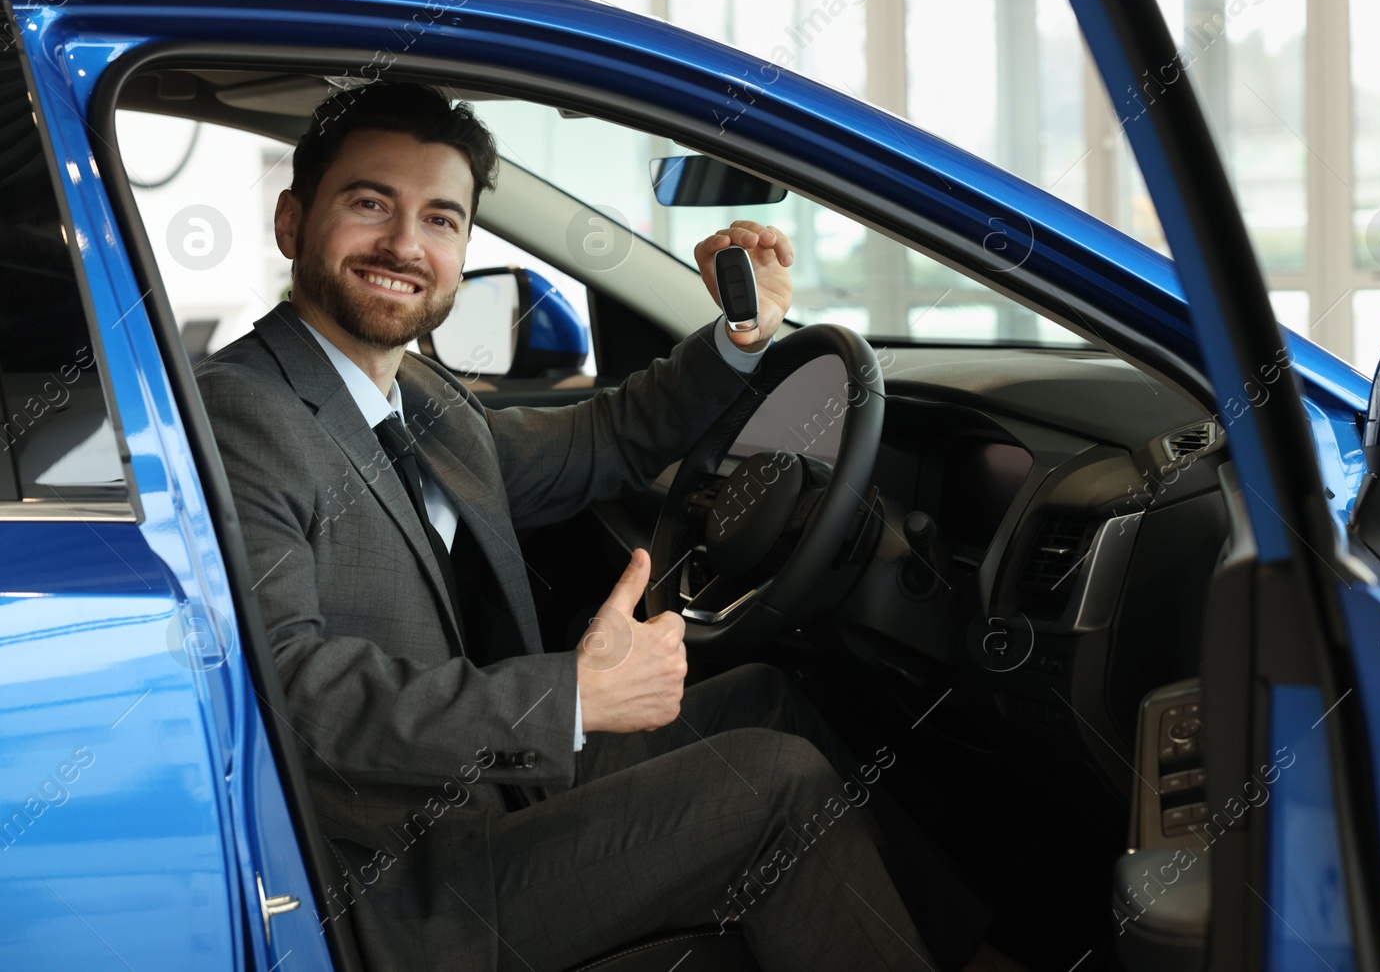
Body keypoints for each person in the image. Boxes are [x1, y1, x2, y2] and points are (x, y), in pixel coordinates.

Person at [197, 82, 1015, 971]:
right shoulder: (245, 412)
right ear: (292, 222)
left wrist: (739, 336)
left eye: (441, 219)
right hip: (394, 889)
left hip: (476, 790)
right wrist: (573, 698)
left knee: (769, 698)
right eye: (369, 204)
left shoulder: (415, 395)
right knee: (779, 790)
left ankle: (966, 956)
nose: (405, 244)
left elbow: (601, 440)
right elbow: (289, 695)